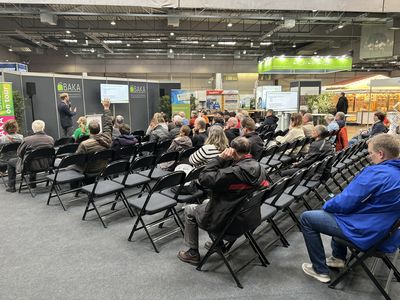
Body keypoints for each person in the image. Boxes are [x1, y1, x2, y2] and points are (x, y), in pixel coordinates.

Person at [300, 134, 400, 283]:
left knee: (307, 218)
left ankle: (319, 270)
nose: (369, 157)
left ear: (381, 154)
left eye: (371, 153)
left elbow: (346, 201)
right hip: (385, 229)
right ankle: (338, 258)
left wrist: (327, 205)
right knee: (341, 212)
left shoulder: (377, 173)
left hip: (366, 230)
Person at [177, 137, 270, 264]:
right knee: (205, 203)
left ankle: (192, 253)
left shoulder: (233, 173)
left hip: (228, 220)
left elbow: (204, 178)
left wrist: (219, 158)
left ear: (232, 150)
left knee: (189, 209)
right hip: (248, 216)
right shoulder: (260, 168)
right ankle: (218, 244)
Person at [6, 120, 54, 192]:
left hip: (29, 166)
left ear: (33, 128)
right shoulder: (50, 139)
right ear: (43, 128)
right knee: (32, 158)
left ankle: (11, 186)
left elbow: (19, 154)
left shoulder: (27, 140)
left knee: (11, 162)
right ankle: (32, 184)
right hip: (47, 164)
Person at [74, 99, 113, 174]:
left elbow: (77, 159)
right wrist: (106, 108)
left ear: (89, 129)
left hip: (89, 169)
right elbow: (108, 124)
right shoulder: (107, 137)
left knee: (69, 168)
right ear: (99, 129)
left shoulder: (85, 144)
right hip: (104, 167)